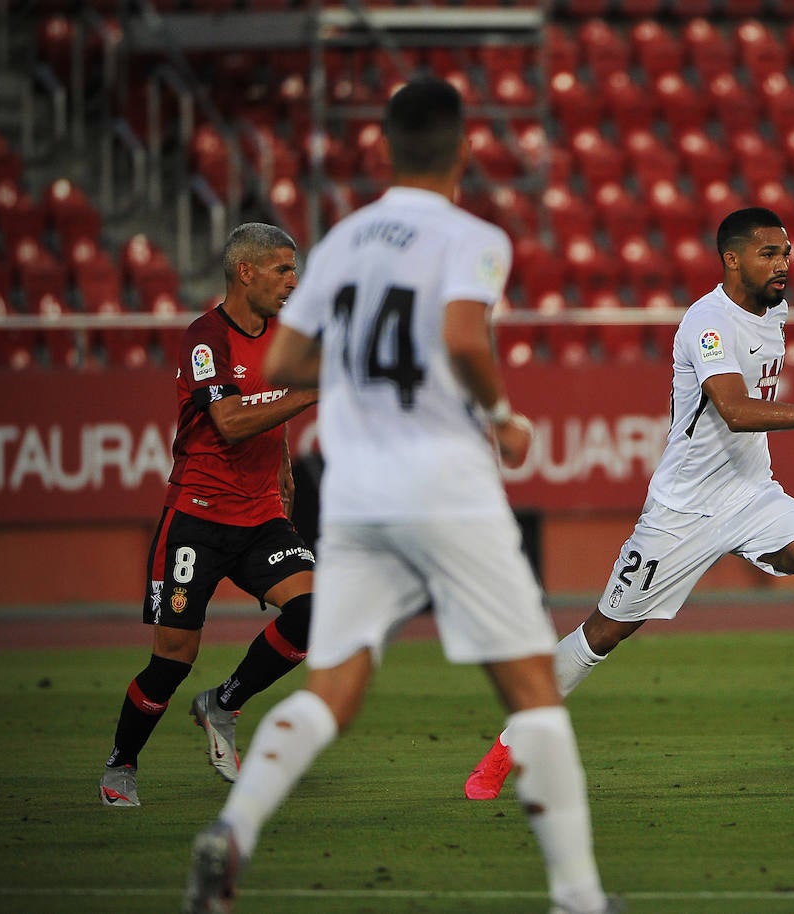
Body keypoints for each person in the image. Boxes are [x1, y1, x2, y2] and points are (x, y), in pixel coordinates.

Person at [181, 78, 618, 914]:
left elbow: (277, 367)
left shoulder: (343, 241)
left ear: (384, 147)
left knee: (331, 689)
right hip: (445, 481)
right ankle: (579, 896)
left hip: (355, 493)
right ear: (460, 150)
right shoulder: (474, 236)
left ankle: (233, 832)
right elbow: (461, 336)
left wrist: (355, 368)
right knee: (531, 688)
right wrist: (500, 415)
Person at [463, 206, 794, 802]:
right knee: (604, 632)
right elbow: (737, 412)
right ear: (732, 258)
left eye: (787, 253)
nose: (783, 265)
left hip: (750, 491)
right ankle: (506, 748)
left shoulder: (777, 311)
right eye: (769, 254)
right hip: (682, 509)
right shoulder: (706, 323)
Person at [99, 223, 318, 807]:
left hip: (261, 515)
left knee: (315, 611)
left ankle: (224, 701)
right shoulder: (204, 338)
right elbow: (230, 421)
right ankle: (121, 764)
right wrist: (310, 392)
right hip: (196, 517)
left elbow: (272, 419)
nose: (292, 283)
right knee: (172, 660)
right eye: (282, 270)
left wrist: (285, 480)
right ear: (245, 271)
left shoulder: (285, 337)